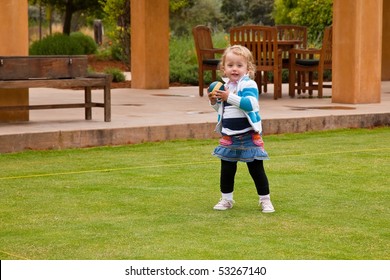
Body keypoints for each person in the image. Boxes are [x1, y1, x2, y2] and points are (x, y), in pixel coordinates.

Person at [207, 45, 275, 213]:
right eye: (230, 65)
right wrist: (214, 102)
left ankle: (265, 200)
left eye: (239, 65)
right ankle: (226, 200)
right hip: (229, 136)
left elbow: (251, 104)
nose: (234, 69)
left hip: (249, 136)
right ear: (224, 68)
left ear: (248, 68)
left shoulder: (249, 84)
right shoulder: (223, 86)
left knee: (256, 169)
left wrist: (228, 96)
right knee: (227, 170)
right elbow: (223, 110)